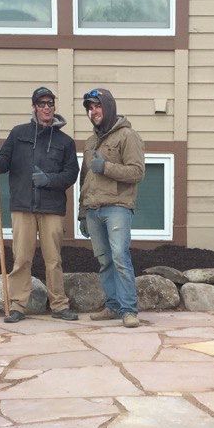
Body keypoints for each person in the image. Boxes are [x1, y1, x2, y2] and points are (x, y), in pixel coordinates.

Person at [0, 86, 80, 323]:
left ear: (54, 107)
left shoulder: (65, 142)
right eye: (41, 103)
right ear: (34, 107)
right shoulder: (19, 134)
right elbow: (3, 165)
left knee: (54, 259)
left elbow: (71, 174)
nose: (46, 107)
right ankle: (17, 305)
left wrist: (49, 180)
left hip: (52, 209)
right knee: (21, 258)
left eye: (50, 103)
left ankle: (58, 304)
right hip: (23, 207)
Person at [79, 87, 145, 328]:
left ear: (108, 107)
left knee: (120, 257)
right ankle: (113, 306)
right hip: (93, 209)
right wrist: (82, 212)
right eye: (89, 108)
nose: (93, 111)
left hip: (117, 207)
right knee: (104, 260)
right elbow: (84, 177)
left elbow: (137, 172)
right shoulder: (90, 141)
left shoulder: (127, 135)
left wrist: (105, 167)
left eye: (97, 106)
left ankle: (129, 310)